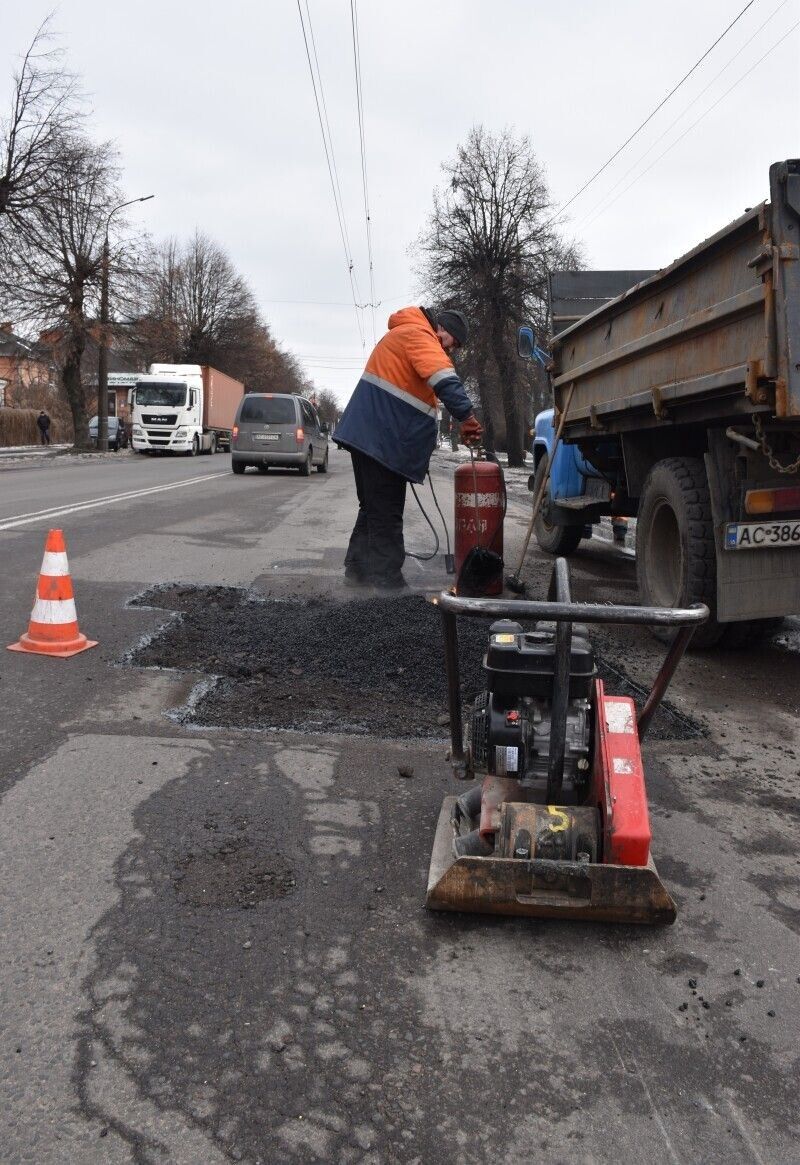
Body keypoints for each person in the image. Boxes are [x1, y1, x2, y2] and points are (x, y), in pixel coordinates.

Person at [334, 306, 483, 589]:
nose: (451, 351)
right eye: (454, 343)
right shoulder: (419, 335)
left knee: (373, 507)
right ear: (443, 330)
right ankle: (387, 583)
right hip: (380, 440)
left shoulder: (406, 334)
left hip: (371, 437)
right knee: (387, 510)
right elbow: (444, 380)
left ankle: (358, 570)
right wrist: (468, 418)